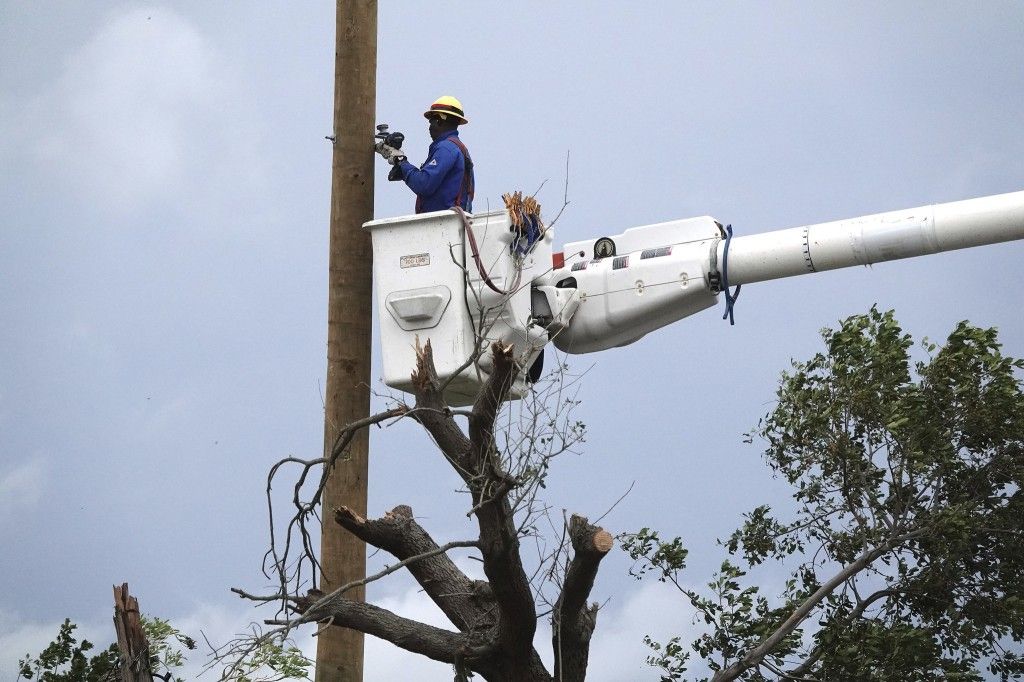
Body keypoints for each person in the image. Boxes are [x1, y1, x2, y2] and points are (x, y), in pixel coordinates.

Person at [375, 96, 474, 213]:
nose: (429, 128)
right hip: (449, 221)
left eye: (431, 122)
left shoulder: (446, 148)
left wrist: (402, 162)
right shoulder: (458, 148)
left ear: (439, 121)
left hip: (442, 223)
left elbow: (424, 184)